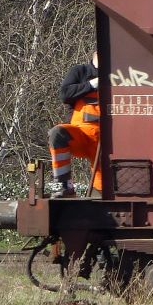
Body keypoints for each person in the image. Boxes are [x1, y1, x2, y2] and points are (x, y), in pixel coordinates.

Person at [47, 51, 102, 197]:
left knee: (102, 191)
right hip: (82, 135)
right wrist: (91, 84)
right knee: (57, 134)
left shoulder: (119, 75)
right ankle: (65, 187)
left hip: (107, 141)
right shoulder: (80, 71)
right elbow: (65, 94)